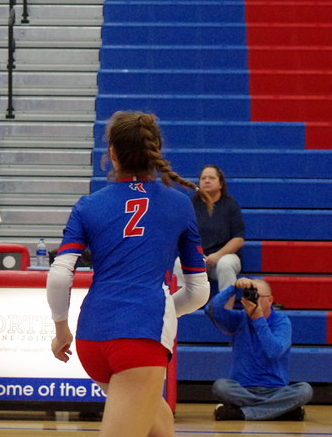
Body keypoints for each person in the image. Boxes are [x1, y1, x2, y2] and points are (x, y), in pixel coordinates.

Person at [47, 111, 210, 437]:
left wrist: (61, 329)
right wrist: (165, 309)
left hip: (91, 337)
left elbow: (60, 275)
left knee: (159, 427)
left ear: (111, 155)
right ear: (156, 153)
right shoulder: (179, 204)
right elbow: (198, 292)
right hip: (140, 336)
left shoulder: (88, 204)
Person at [209, 277, 313, 421]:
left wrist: (258, 319)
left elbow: (274, 352)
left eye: (257, 296)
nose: (253, 300)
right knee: (220, 386)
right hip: (242, 389)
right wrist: (232, 288)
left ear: (270, 300)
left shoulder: (281, 322)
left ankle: (242, 413)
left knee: (304, 390)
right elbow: (212, 311)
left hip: (276, 390)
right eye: (249, 295)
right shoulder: (240, 319)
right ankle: (281, 410)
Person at [194, 164, 245, 293]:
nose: (206, 180)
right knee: (178, 263)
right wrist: (196, 255)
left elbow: (238, 239)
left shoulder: (230, 206)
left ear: (220, 184)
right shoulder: (191, 205)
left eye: (211, 178)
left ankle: (224, 310)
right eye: (203, 178)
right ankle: (181, 311)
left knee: (225, 264)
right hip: (196, 257)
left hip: (223, 257)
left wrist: (217, 255)